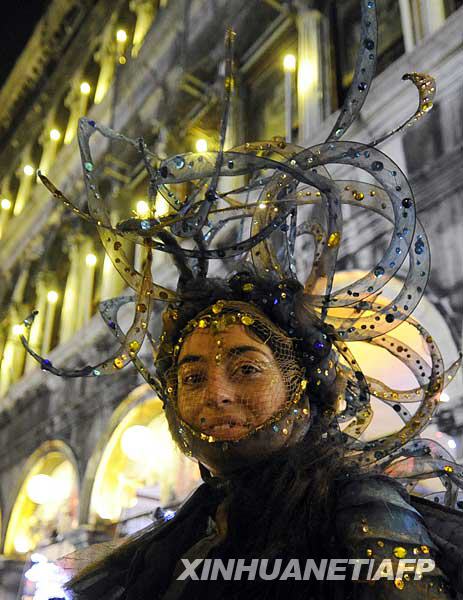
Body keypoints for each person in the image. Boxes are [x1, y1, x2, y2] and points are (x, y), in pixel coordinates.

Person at [19, 2, 462, 598]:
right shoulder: (168, 550)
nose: (215, 395)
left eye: (247, 369)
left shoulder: (369, 518)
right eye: (192, 376)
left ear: (304, 380)